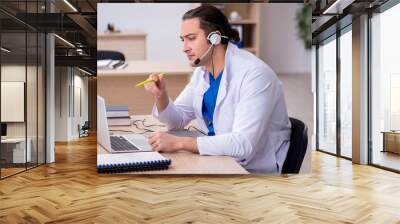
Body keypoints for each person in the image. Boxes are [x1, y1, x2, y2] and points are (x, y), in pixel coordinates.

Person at [144, 4, 291, 173]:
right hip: (217, 158)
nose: (184, 48)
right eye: (182, 39)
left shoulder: (255, 75)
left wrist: (180, 143)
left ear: (215, 38)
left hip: (249, 169)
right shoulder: (203, 71)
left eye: (191, 38)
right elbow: (177, 120)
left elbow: (243, 143)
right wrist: (161, 96)